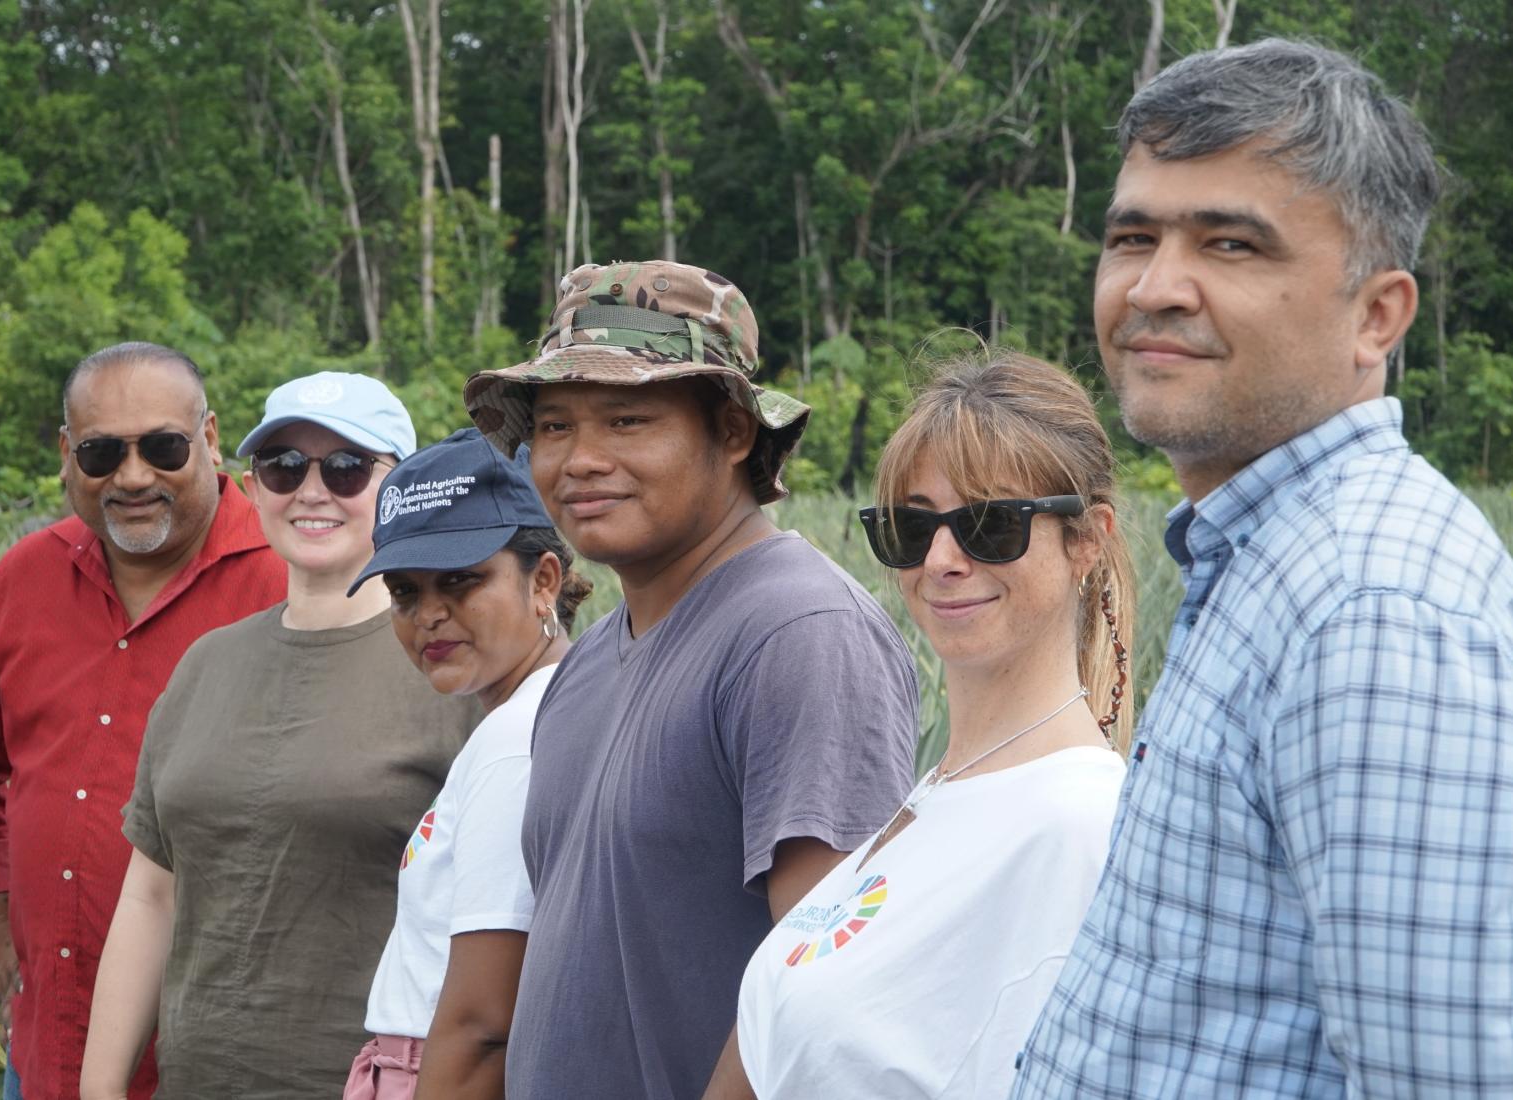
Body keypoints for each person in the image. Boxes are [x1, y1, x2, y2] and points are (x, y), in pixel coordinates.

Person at [1010, 39, 1513, 1097]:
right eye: (1132, 236)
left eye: (1231, 244)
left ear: (1377, 314)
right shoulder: (1263, 555)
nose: (1154, 287)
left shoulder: (1372, 607)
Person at [463, 259, 921, 1098]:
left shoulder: (795, 633)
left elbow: (826, 989)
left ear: (734, 432)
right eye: (555, 426)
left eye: (628, 419)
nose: (580, 460)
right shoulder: (589, 662)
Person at [728, 349, 1134, 1098]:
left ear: (1088, 539)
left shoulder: (1080, 825)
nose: (942, 559)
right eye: (912, 527)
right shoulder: (935, 795)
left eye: (989, 523)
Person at [79, 372, 474, 1100]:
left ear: (404, 488)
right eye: (284, 466)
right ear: (253, 488)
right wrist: (99, 1090)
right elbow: (152, 896)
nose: (312, 490)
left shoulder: (452, 669)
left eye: (348, 467)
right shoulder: (207, 664)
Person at [0, 342, 288, 1100]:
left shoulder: (285, 582)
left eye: (162, 447)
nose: (131, 477)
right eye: (100, 453)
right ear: (66, 454)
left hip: (221, 1060)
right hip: (47, 1043)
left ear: (211, 439)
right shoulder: (24, 577)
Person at [341, 426, 590, 1099]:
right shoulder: (559, 707)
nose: (430, 615)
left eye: (461, 580)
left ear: (544, 580)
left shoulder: (517, 739)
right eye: (405, 593)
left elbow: (483, 1020)